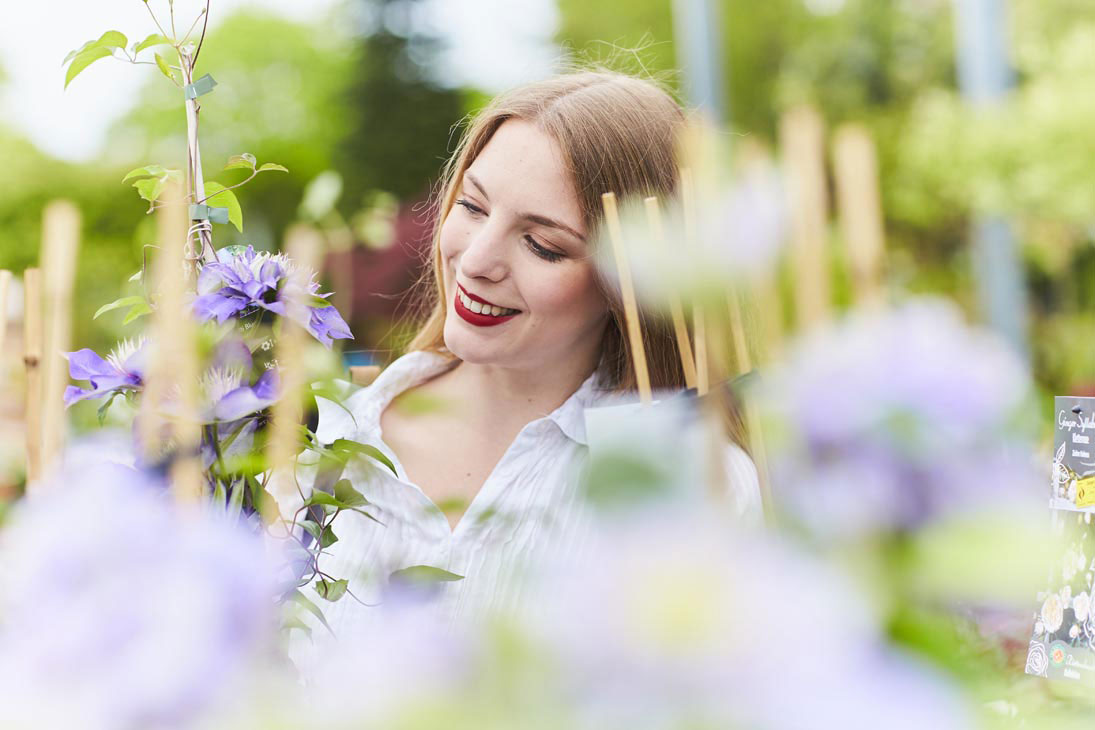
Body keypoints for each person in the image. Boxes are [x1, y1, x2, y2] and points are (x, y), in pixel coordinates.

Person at [284, 70, 762, 663]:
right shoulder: (322, 441)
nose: (477, 260)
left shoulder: (689, 482)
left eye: (544, 245)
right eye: (472, 206)